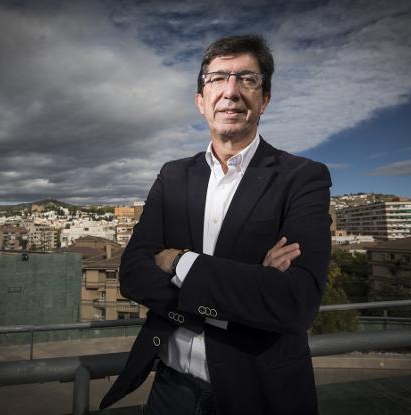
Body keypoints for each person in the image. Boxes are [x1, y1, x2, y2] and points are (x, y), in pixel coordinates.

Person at [100, 34, 331, 415]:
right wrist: (248, 287)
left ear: (265, 99)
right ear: (200, 101)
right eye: (217, 78)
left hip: (257, 391)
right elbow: (132, 273)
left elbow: (295, 302)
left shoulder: (302, 177)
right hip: (169, 389)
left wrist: (179, 263)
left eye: (248, 79)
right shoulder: (173, 176)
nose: (231, 91)